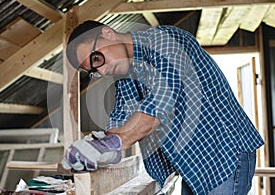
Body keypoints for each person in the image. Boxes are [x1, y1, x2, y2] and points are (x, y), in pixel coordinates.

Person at [63, 20, 264, 194]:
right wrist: (98, 147)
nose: (104, 70)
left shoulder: (164, 41)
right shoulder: (125, 76)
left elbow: (159, 105)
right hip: (192, 165)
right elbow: (119, 121)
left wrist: (112, 143)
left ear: (108, 33)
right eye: (95, 70)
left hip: (222, 155)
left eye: (97, 59)